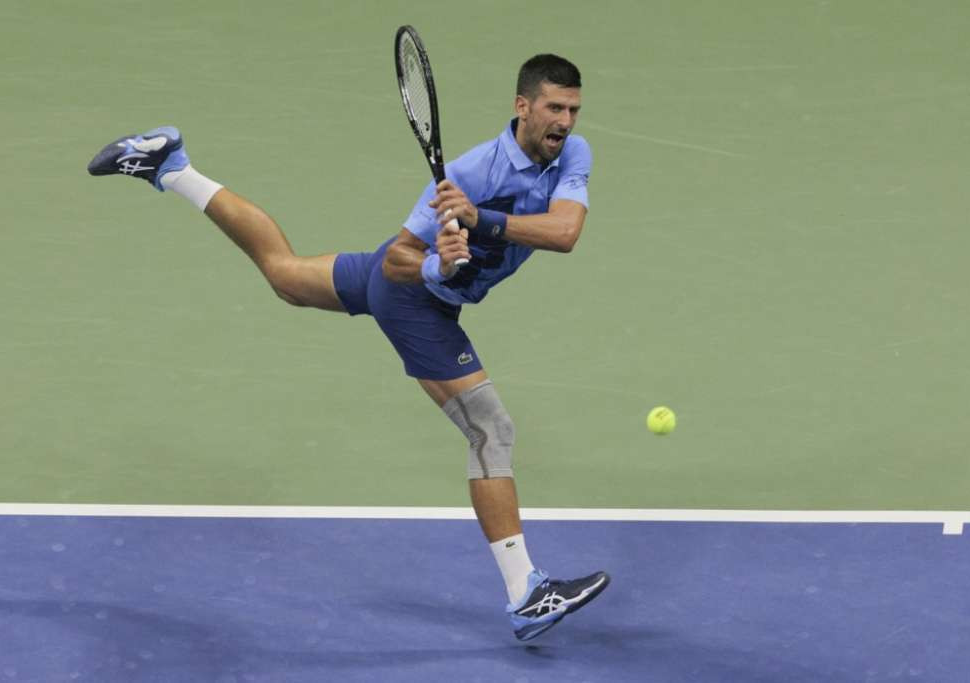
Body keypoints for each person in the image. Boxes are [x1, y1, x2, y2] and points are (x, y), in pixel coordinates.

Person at [88, 53, 609, 641]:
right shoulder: (470, 172)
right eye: (554, 108)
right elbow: (401, 260)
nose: (565, 121)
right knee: (491, 430)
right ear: (522, 107)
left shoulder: (572, 154)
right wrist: (439, 267)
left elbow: (565, 231)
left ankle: (171, 166)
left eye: (573, 109)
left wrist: (478, 222)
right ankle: (525, 593)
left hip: (416, 287)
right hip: (413, 298)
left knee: (284, 274)